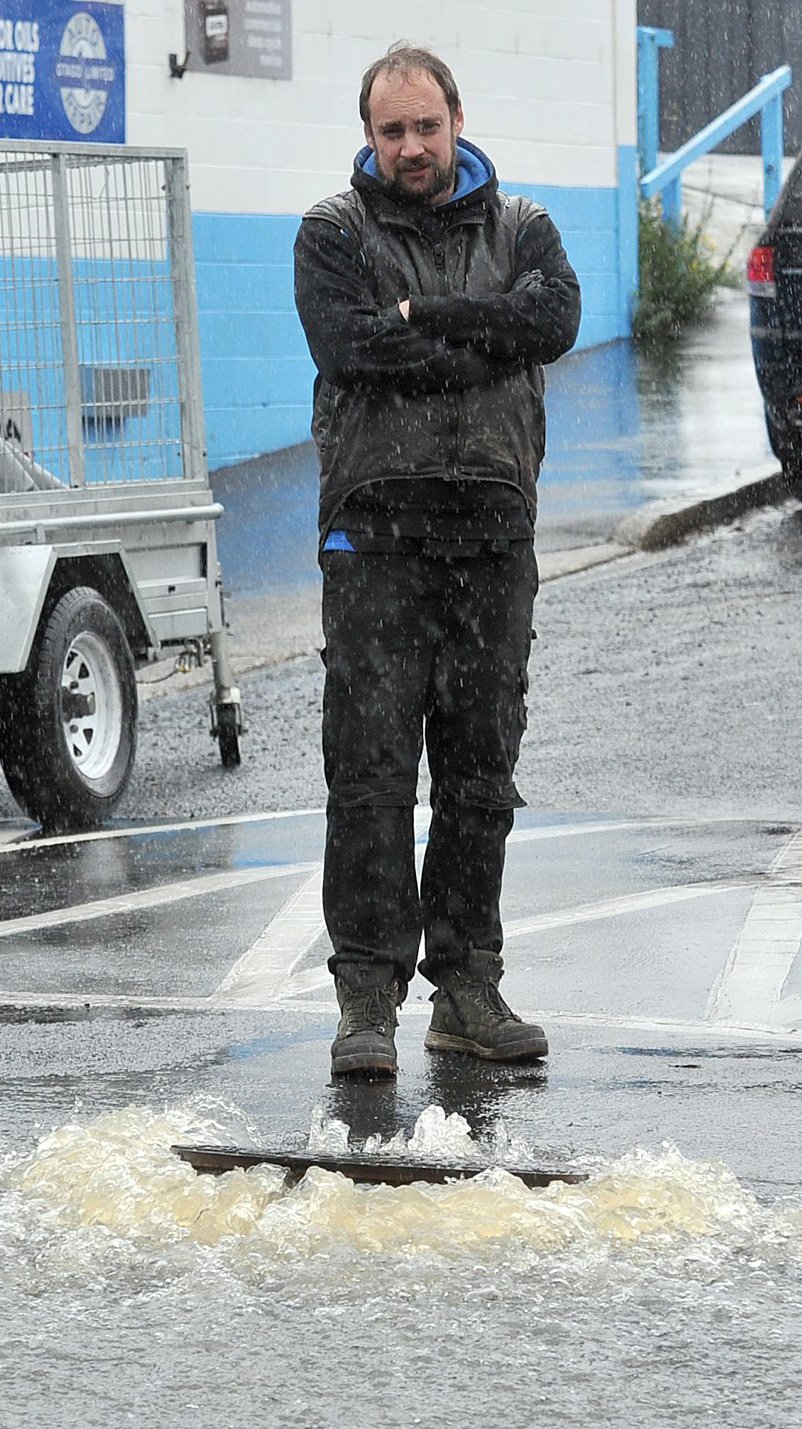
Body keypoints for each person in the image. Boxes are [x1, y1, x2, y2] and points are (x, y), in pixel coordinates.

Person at [294, 41, 581, 1077]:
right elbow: (353, 347)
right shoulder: (332, 231)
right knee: (368, 773)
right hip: (374, 534)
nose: (410, 148)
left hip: (493, 535)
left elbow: (554, 320)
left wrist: (438, 318)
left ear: (456, 120)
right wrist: (479, 342)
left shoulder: (525, 226)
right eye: (390, 131)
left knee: (478, 774)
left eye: (425, 126)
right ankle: (367, 998)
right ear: (368, 135)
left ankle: (467, 987)